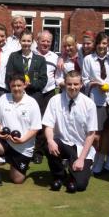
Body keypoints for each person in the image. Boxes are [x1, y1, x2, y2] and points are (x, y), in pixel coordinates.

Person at [0, 73, 42, 188]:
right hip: (5, 143)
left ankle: (16, 164)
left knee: (17, 179)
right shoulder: (3, 98)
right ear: (9, 86)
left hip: (23, 148)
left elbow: (36, 127)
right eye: (13, 86)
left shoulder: (32, 103)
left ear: (24, 85)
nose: (16, 88)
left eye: (19, 85)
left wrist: (22, 140)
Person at [43, 70, 97, 193]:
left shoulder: (89, 104)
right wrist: (50, 140)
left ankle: (75, 172)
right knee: (48, 145)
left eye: (76, 84)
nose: (72, 87)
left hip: (81, 148)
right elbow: (48, 125)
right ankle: (59, 175)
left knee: (80, 186)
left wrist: (81, 159)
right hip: (62, 144)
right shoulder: (55, 100)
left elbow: (91, 134)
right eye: (69, 84)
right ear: (64, 84)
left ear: (81, 84)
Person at [82, 32, 109, 175]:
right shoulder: (88, 59)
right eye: (100, 43)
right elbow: (84, 80)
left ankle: (107, 158)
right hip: (96, 99)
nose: (102, 46)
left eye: (105, 43)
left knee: (107, 132)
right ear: (95, 44)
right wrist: (94, 84)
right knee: (97, 133)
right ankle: (97, 158)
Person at [32, 30, 60, 164]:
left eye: (48, 41)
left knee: (45, 122)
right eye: (43, 40)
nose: (45, 43)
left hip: (48, 92)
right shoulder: (31, 54)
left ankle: (39, 152)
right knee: (32, 120)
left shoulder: (55, 57)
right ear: (37, 41)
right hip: (34, 91)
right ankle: (30, 150)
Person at [5, 30, 47, 105]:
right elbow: (8, 76)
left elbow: (43, 81)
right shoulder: (13, 57)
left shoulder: (41, 60)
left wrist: (30, 84)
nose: (26, 43)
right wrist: (19, 84)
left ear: (32, 42)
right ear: (20, 41)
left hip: (34, 96)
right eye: (23, 41)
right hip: (17, 95)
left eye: (28, 41)